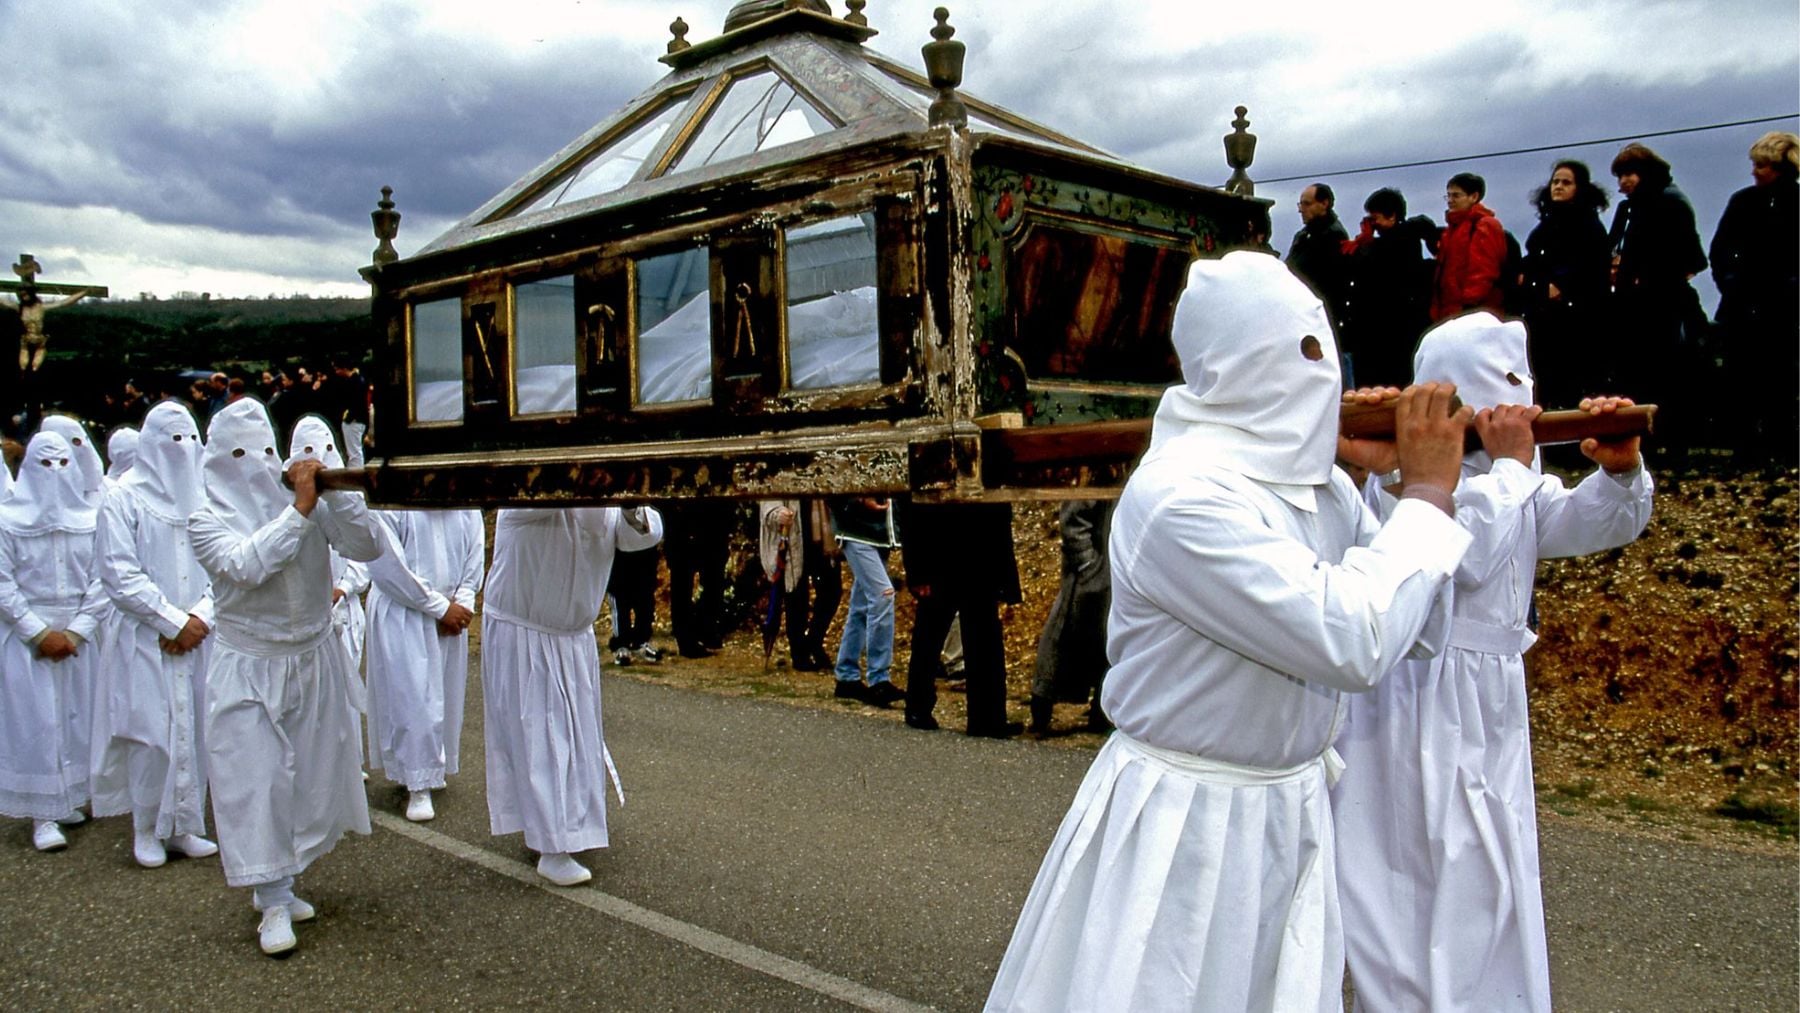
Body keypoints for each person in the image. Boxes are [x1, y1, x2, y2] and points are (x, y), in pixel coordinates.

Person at [985, 250, 1475, 1012]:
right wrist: (1430, 492)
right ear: (1241, 365)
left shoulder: (1316, 487)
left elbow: (1418, 628)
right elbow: (1354, 638)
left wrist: (1384, 481)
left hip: (1288, 815)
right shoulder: (1183, 496)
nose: (1322, 376)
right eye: (1300, 354)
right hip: (1185, 828)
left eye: (1325, 353)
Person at [1333, 312, 1653, 1012]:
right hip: (1422, 697)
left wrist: (1620, 469)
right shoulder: (1407, 483)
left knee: (1493, 883)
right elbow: (1464, 553)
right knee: (1428, 886)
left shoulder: (1514, 477)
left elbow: (1586, 522)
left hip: (1488, 699)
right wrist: (1508, 465)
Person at [188, 397, 383, 956]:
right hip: (248, 661)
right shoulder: (204, 516)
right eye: (240, 453)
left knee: (308, 778)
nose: (255, 465)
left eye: (266, 452)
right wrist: (298, 509)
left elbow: (364, 545)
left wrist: (336, 494)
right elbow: (246, 566)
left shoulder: (305, 497)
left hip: (311, 655)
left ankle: (281, 877)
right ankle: (271, 900)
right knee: (257, 779)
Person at [482, 504, 662, 887]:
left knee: (573, 738)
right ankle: (553, 844)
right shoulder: (530, 491)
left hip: (571, 636)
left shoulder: (605, 499)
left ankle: (567, 825)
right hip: (525, 630)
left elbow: (641, 536)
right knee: (541, 737)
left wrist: (630, 502)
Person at [89, 401, 219, 869]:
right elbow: (119, 573)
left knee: (195, 729)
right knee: (150, 732)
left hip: (199, 635)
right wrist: (170, 620)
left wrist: (201, 617)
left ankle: (185, 824)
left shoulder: (206, 496)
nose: (181, 450)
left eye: (189, 439)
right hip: (146, 635)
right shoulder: (124, 497)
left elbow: (221, 565)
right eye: (171, 439)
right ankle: (146, 827)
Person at [0, 431, 109, 852]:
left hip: (78, 633)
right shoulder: (9, 521)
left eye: (63, 463)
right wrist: (38, 632)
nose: (56, 474)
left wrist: (79, 628)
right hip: (29, 635)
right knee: (37, 721)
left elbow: (103, 577)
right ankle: (42, 814)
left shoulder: (90, 517)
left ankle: (67, 798)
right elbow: (4, 583)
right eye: (46, 465)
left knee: (78, 717)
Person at [364, 505, 483, 823]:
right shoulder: (389, 502)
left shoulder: (461, 499)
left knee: (443, 695)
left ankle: (432, 766)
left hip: (450, 611)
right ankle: (417, 783)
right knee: (413, 700)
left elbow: (474, 548)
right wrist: (439, 607)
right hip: (405, 608)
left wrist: (463, 601)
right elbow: (388, 567)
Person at [1709, 131, 1799, 465]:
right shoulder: (1742, 202)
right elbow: (1719, 250)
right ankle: (1746, 450)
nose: (1755, 171)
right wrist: (1730, 284)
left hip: (1783, 309)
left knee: (1782, 379)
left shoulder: (1795, 202)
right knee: (1741, 380)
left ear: (1781, 166)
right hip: (1741, 307)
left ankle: (1784, 448)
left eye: (1762, 165)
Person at [898, 499, 1022, 738]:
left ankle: (988, 718)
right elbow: (913, 508)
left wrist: (1005, 576)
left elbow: (998, 510)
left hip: (981, 555)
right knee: (930, 633)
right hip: (939, 554)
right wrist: (917, 570)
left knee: (985, 639)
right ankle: (918, 706)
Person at [1607, 143, 1708, 438]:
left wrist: (1649, 276)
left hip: (1663, 302)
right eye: (1620, 175)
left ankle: (1672, 438)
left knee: (1667, 372)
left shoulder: (1670, 201)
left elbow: (1693, 256)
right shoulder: (1628, 208)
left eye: (1630, 173)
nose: (1624, 181)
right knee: (1636, 372)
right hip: (1631, 302)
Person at [1520, 160, 1613, 409]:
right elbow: (1531, 263)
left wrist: (1560, 285)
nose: (1558, 187)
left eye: (1566, 182)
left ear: (1579, 188)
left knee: (1571, 384)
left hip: (1575, 320)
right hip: (1541, 317)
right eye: (1555, 181)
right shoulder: (1544, 227)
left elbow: (1590, 269)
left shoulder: (1588, 226)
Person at [1027, 500, 1114, 736]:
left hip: (1111, 571)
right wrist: (1088, 563)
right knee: (1062, 637)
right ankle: (1041, 707)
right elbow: (1074, 518)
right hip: (1091, 575)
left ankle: (1101, 712)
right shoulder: (1094, 469)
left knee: (1109, 642)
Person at [1339, 188, 1436, 388]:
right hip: (1386, 329)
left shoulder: (1401, 241)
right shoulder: (1394, 239)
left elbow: (1374, 267)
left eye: (1375, 219)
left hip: (1392, 329)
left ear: (1392, 216)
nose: (1373, 225)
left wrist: (1365, 244)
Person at [828, 496, 903, 706]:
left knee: (861, 606)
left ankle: (847, 675)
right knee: (883, 596)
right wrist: (859, 499)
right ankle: (878, 679)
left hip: (879, 531)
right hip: (855, 528)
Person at [756, 499, 842, 671]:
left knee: (832, 591)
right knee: (796, 595)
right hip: (794, 535)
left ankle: (813, 642)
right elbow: (770, 490)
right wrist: (776, 513)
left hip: (823, 536)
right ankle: (799, 654)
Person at [1431, 171, 1509, 321]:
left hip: (1471, 312)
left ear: (1474, 196)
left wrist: (1469, 307)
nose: (1450, 200)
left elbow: (1484, 271)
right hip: (1450, 312)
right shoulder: (1451, 230)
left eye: (1456, 195)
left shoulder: (1484, 225)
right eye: (1448, 195)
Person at [660, 500, 731, 658]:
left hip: (713, 529)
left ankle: (705, 628)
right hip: (681, 532)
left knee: (715, 585)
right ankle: (686, 642)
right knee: (682, 589)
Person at [1286, 182, 1350, 324]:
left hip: (1318, 313)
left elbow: (1328, 283)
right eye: (1300, 204)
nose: (1301, 210)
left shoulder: (1333, 236)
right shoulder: (1303, 235)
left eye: (1307, 204)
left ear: (1324, 204)